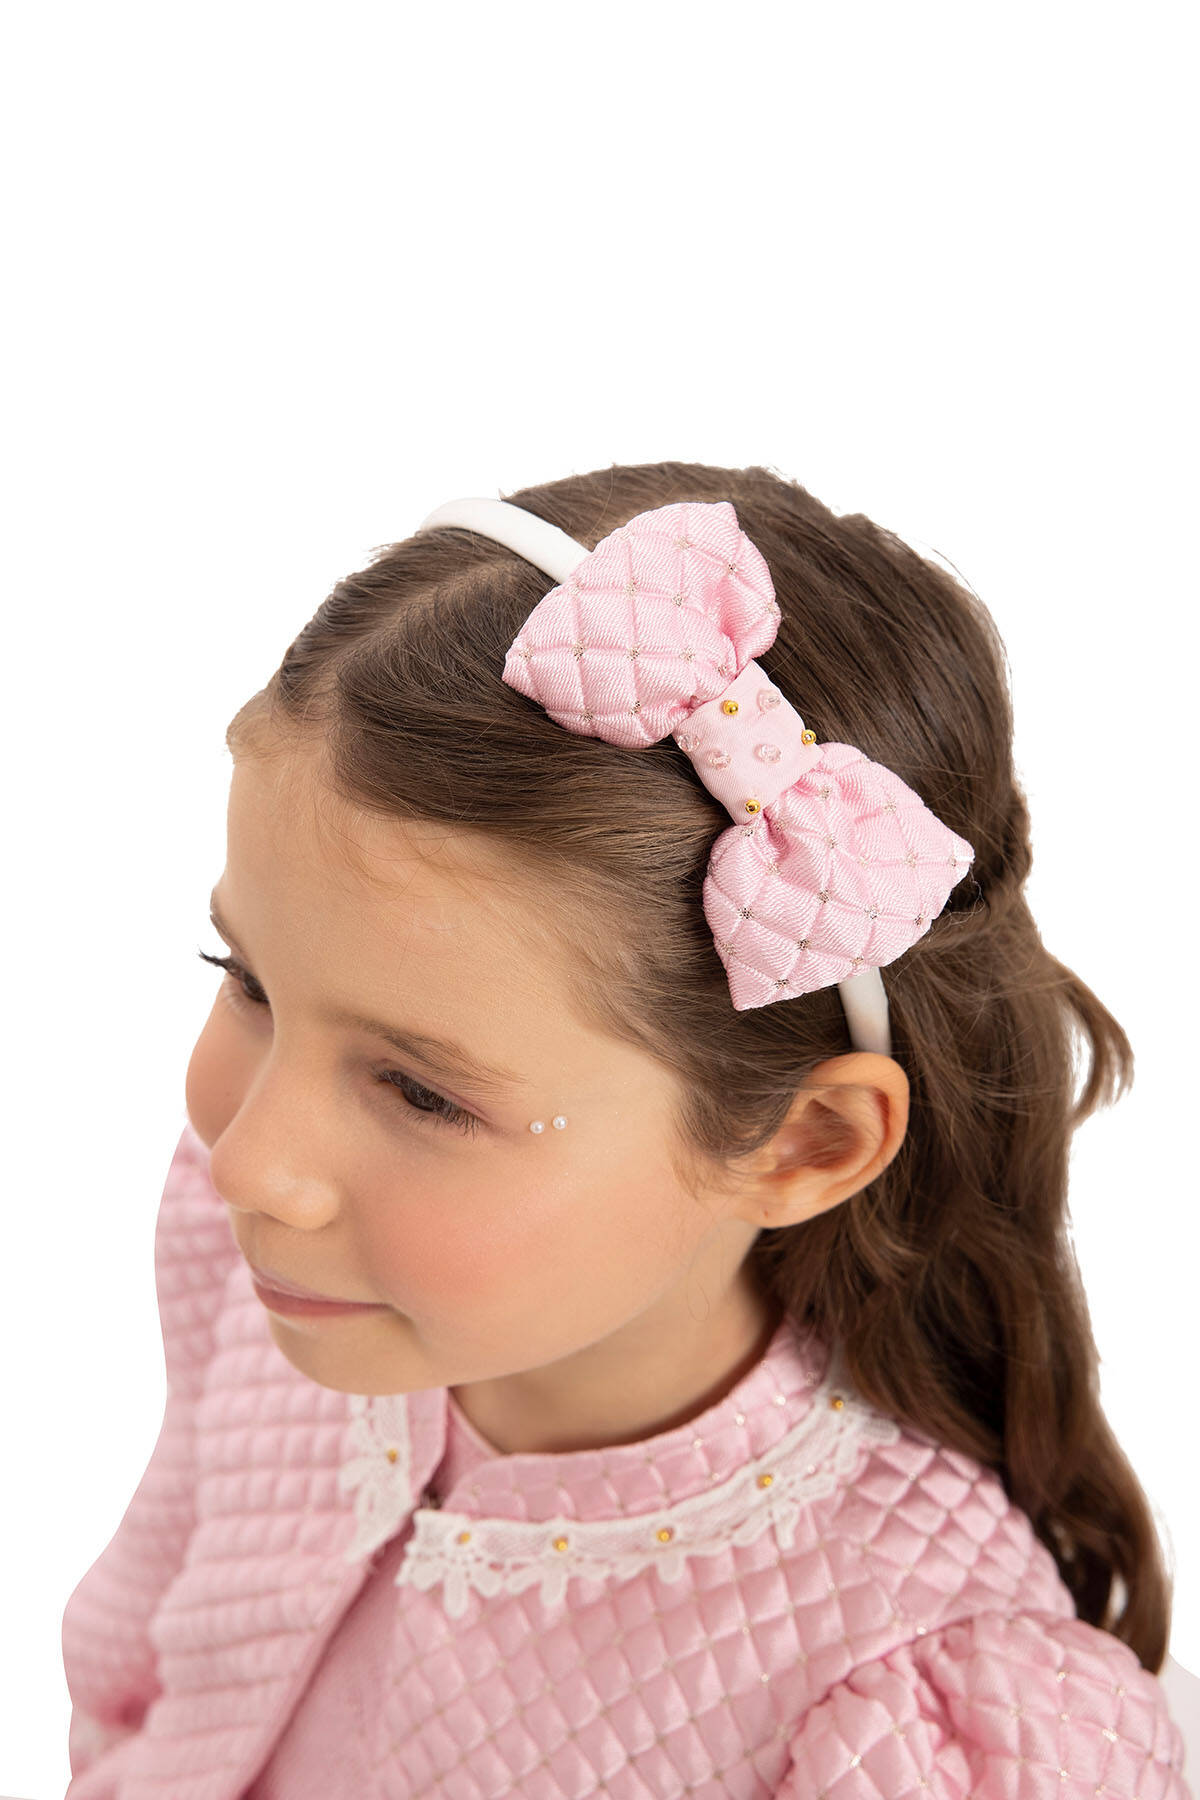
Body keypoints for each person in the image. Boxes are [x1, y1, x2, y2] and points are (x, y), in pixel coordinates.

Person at [60, 462, 1192, 1797]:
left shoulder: (902, 1719)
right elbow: (132, 1693)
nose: (251, 1161)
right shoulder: (290, 1285)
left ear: (804, 1145)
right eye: (248, 982)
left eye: (423, 1093)